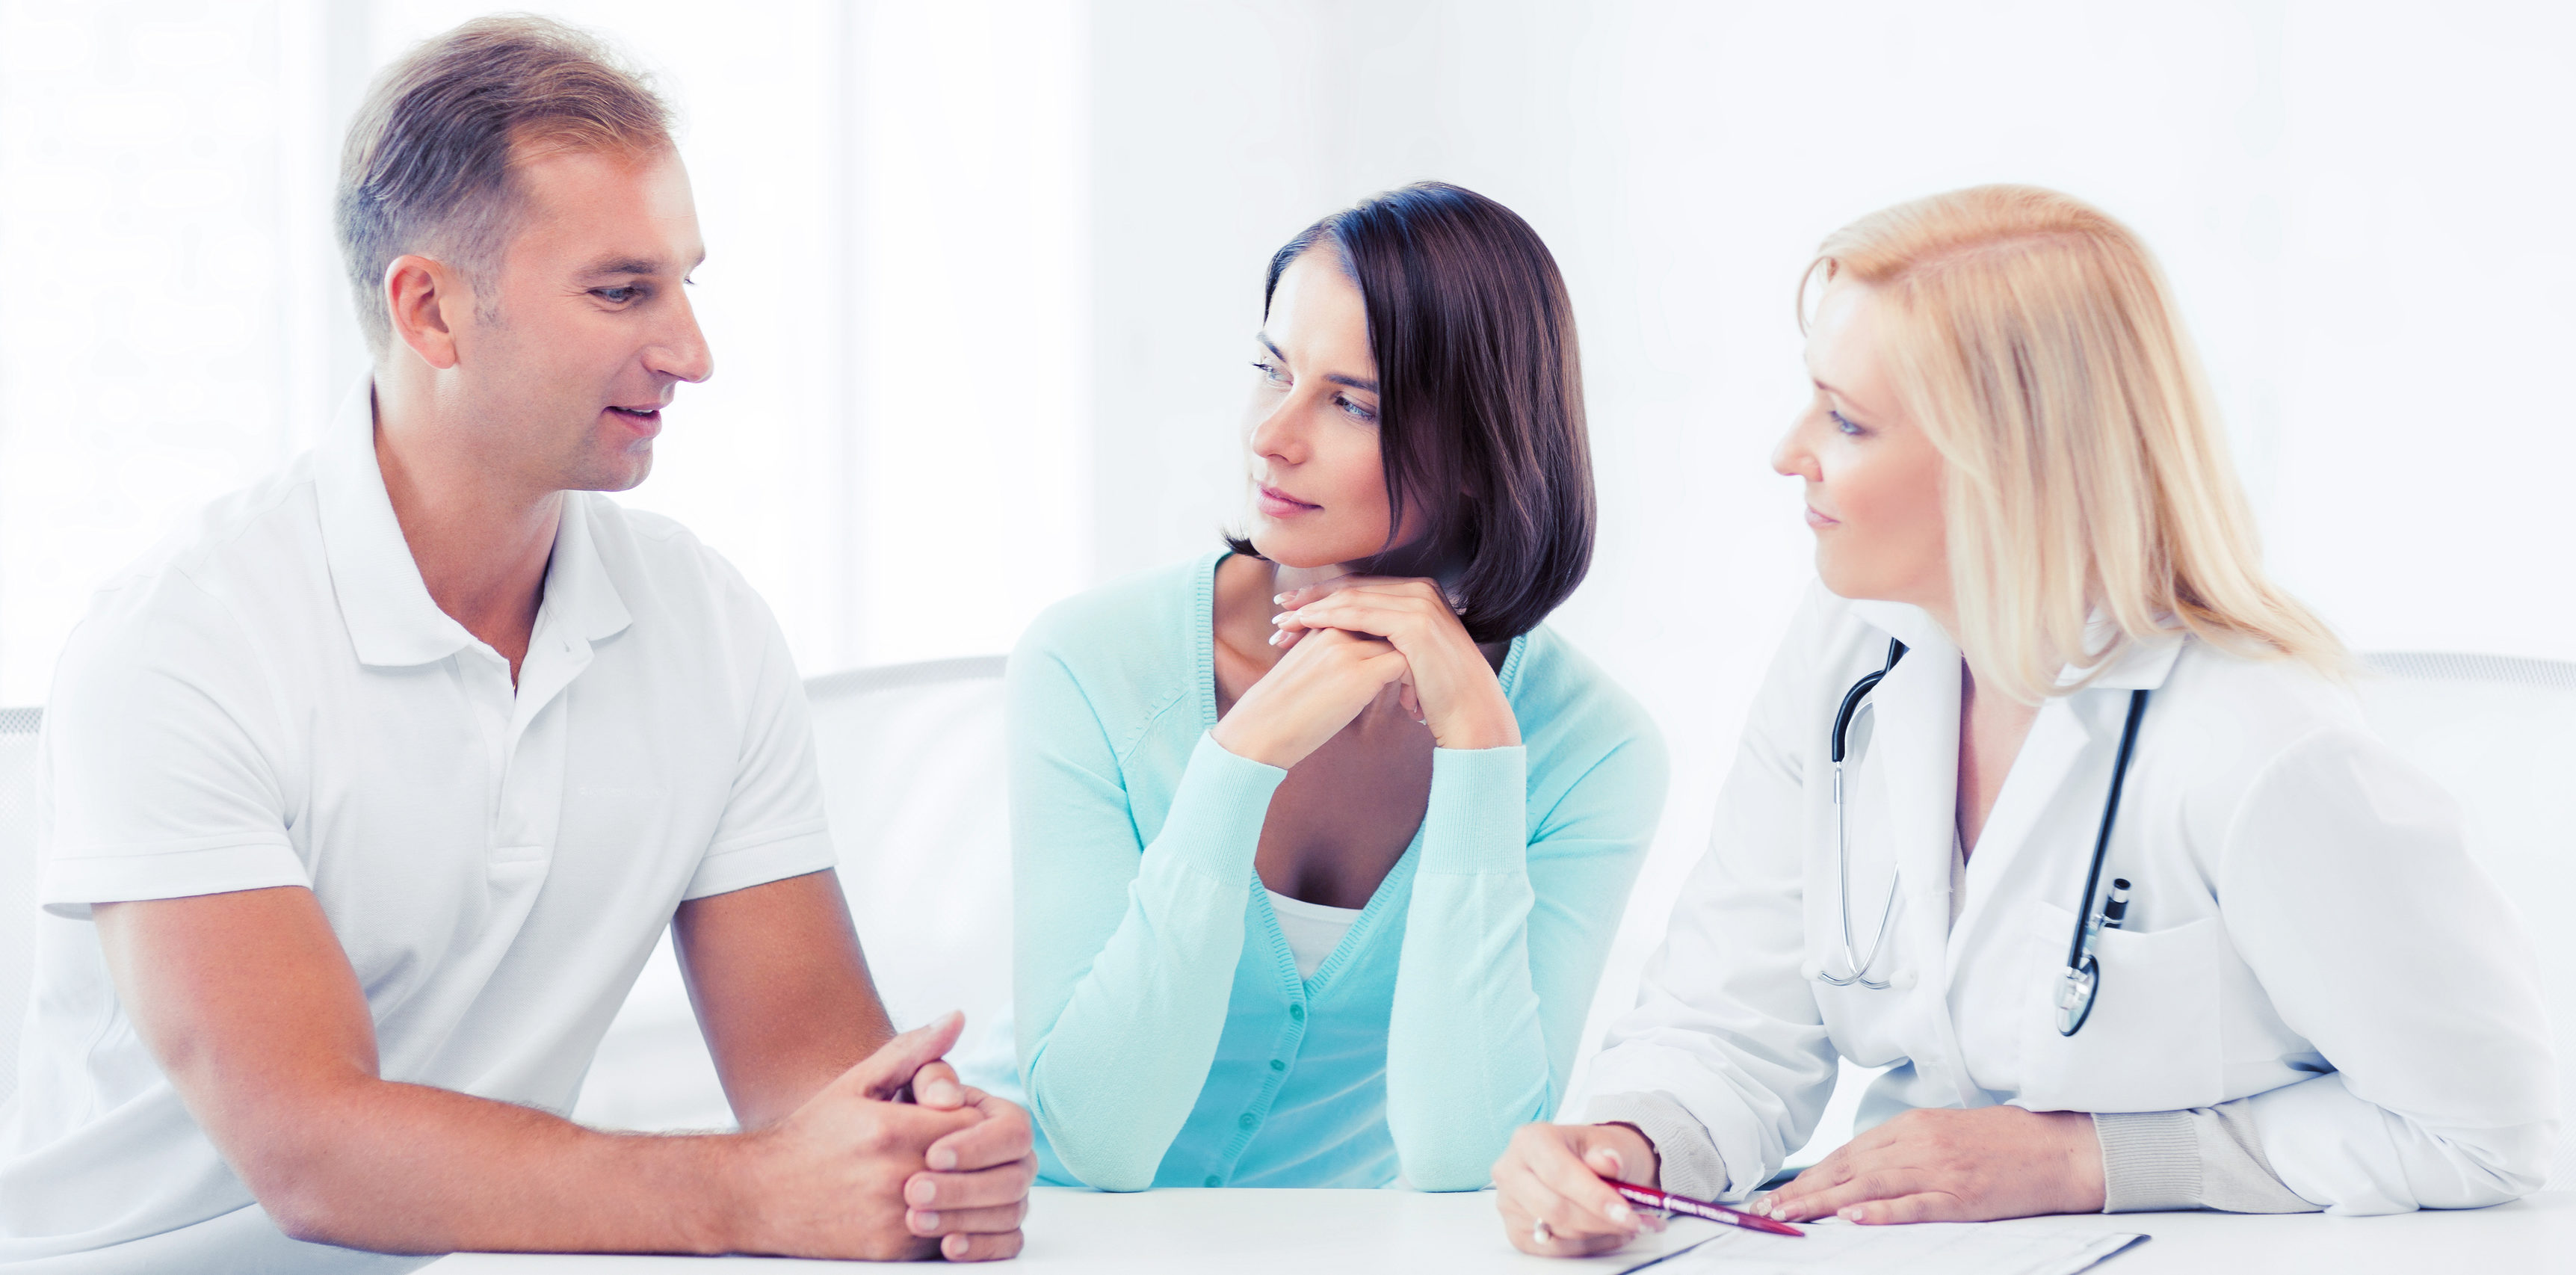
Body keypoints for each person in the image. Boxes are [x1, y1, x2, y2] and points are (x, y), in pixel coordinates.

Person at [0, 17, 1030, 1269]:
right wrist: (748, 1195)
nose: (692, 353)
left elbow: (814, 1092)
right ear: (430, 310)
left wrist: (924, 1153)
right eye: (621, 291)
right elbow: (311, 1148)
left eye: (685, 283)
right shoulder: (181, 645)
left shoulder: (706, 626)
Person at [1492, 185, 2558, 1255]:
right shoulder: (1851, 644)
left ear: (2006, 460)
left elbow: (2489, 1132)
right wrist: (1629, 1144)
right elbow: (1729, 1022)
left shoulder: (2256, 742)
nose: (1787, 451)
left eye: (1847, 420)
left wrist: (2090, 1159)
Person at [1009, 183, 1667, 1192]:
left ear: (1482, 453)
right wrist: (1237, 763)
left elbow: (1466, 1157)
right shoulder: (1089, 661)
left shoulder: (1591, 749)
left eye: (1351, 403)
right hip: (1044, 1237)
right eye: (1271, 371)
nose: (1271, 435)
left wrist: (1481, 755)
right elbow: (1095, 1140)